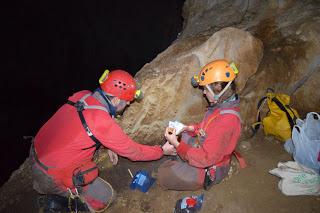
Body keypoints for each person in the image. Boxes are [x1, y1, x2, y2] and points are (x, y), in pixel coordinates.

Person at [30, 69, 176, 212]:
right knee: (105, 198)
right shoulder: (101, 122)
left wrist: (109, 146)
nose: (128, 105)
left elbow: (83, 127)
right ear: (116, 99)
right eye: (127, 102)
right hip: (51, 175)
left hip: (37, 152)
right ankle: (60, 203)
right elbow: (134, 152)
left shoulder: (83, 95)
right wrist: (161, 150)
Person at [158, 59, 244, 191]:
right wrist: (188, 128)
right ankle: (183, 158)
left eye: (206, 89)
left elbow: (206, 158)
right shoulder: (220, 106)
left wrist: (177, 145)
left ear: (219, 89)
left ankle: (190, 167)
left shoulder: (227, 121)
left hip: (210, 165)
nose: (204, 92)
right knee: (184, 134)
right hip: (207, 148)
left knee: (164, 175)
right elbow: (206, 127)